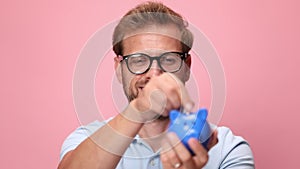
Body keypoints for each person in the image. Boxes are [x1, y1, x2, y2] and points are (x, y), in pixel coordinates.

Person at [58, 1, 254, 169]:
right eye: (138, 60)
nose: (155, 74)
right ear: (119, 69)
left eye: (169, 59)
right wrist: (140, 108)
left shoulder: (227, 149)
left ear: (186, 67)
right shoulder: (87, 139)